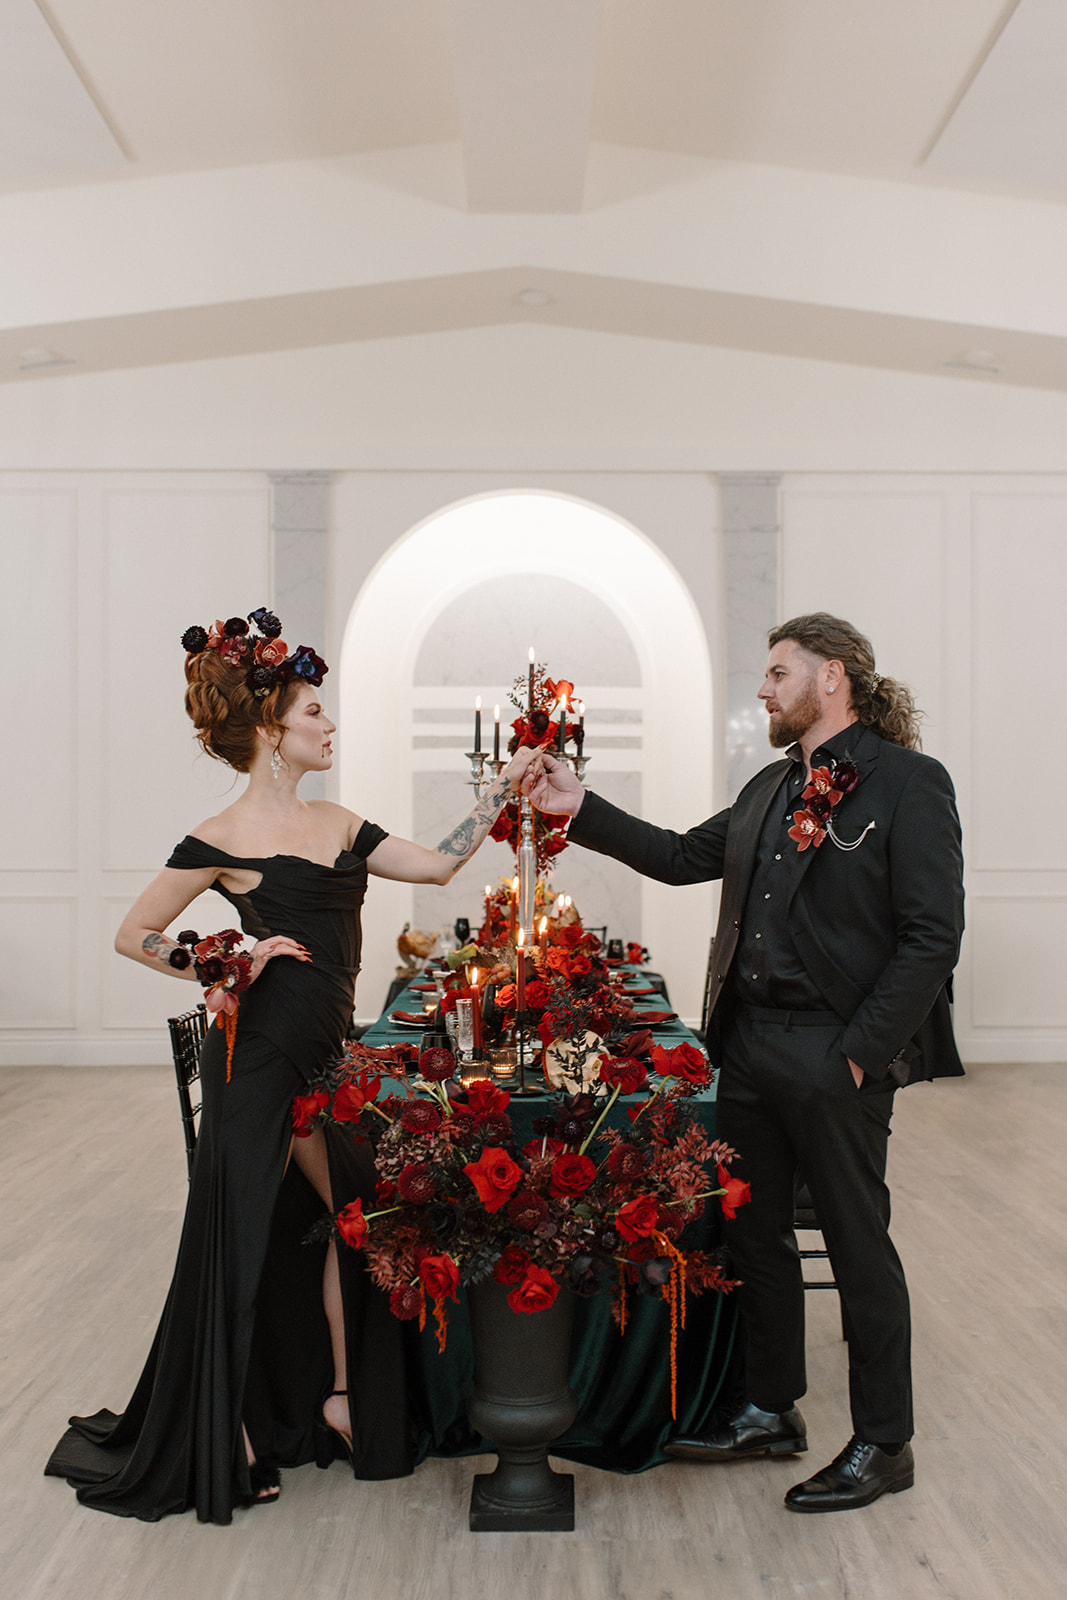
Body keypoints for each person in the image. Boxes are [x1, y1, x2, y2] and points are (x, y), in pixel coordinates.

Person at [45, 609, 536, 1523]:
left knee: (352, 1217)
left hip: (328, 1056)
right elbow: (132, 935)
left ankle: (340, 1395)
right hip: (262, 1057)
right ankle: (217, 1423)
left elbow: (433, 869)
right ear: (272, 729)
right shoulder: (219, 837)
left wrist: (503, 789)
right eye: (315, 710)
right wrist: (229, 961)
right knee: (237, 1237)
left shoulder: (339, 821)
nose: (329, 723)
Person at [522, 613, 964, 1513]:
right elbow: (686, 857)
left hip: (832, 1055)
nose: (761, 689)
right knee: (754, 1236)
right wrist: (580, 808)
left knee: (854, 1243)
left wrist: (854, 1058)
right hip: (748, 1045)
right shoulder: (770, 784)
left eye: (775, 672)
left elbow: (931, 937)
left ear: (831, 677)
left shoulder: (909, 784)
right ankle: (770, 1408)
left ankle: (885, 1441)